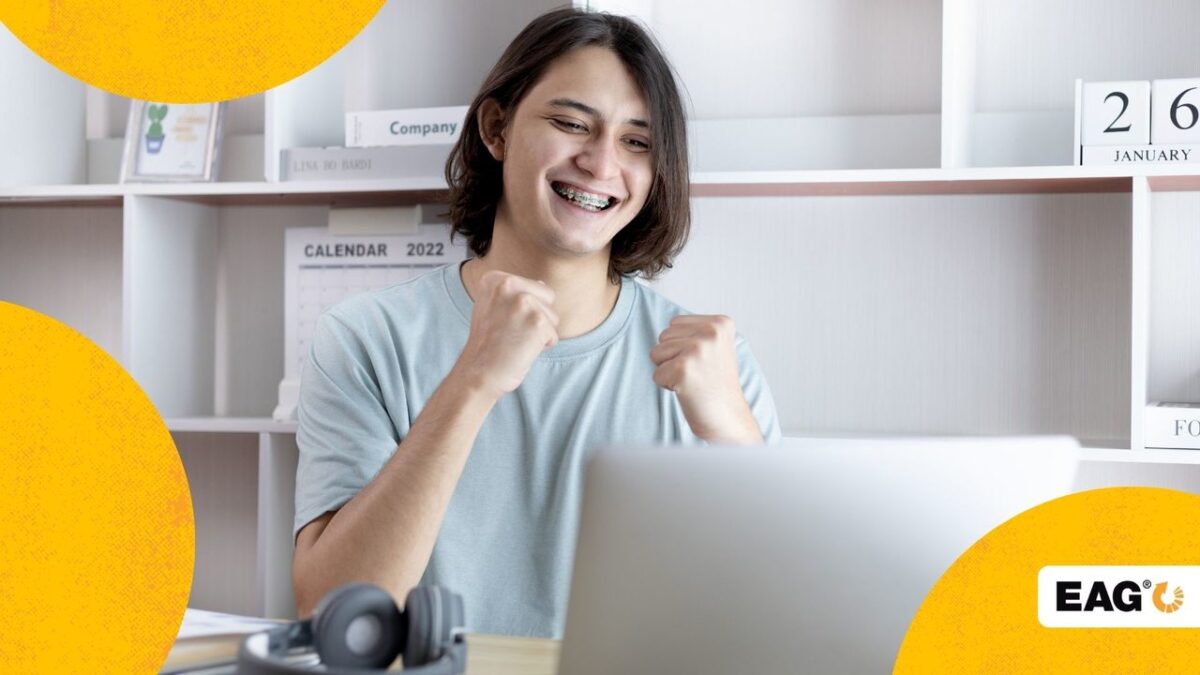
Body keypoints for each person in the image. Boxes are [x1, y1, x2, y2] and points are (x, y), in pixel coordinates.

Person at [291, 7, 780, 638]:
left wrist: (733, 438)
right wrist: (473, 381)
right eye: (572, 124)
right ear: (496, 128)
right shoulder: (363, 338)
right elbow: (333, 609)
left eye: (637, 142)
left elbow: (777, 620)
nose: (602, 165)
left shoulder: (714, 364)